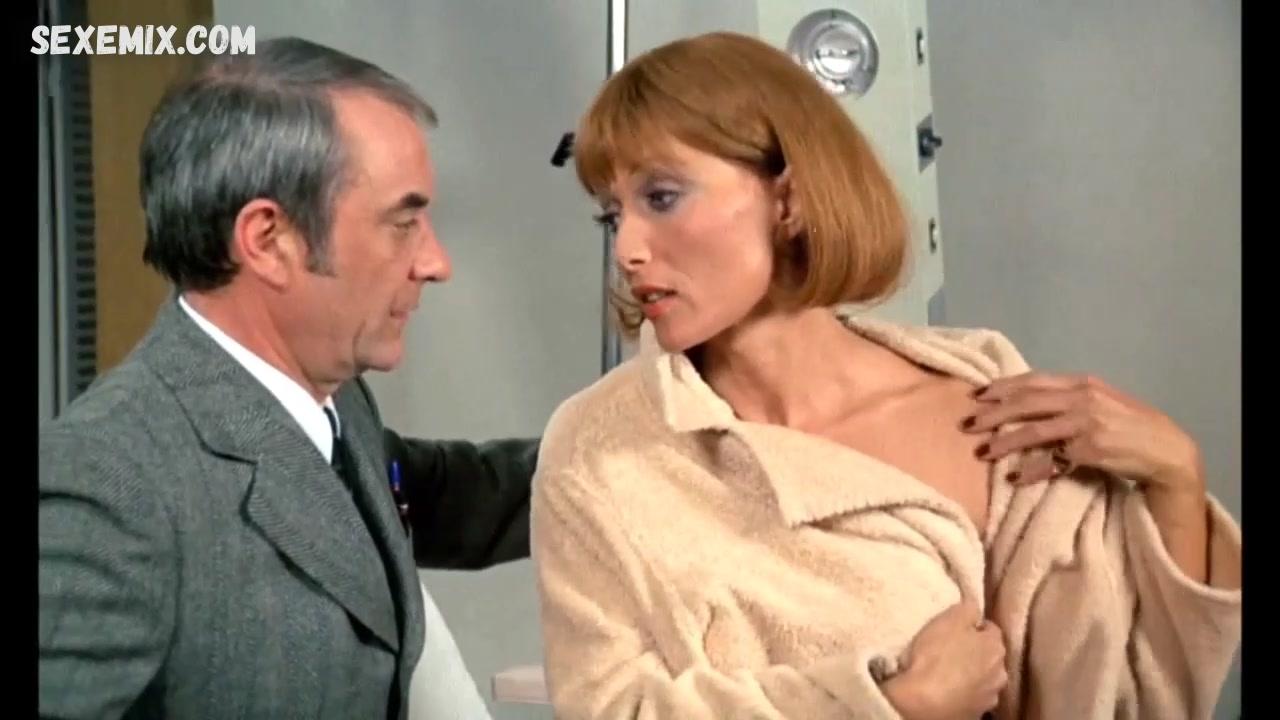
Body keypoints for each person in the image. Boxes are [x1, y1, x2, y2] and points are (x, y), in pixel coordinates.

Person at [530, 31, 1242, 720]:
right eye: (612, 215)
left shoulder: (991, 405)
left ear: (789, 199)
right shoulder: (602, 450)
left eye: (661, 198)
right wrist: (887, 706)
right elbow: (612, 709)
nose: (627, 249)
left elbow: (1137, 698)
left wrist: (1176, 476)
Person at [38, 37, 537, 720]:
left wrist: (639, 453)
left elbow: (447, 495)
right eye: (403, 222)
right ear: (269, 240)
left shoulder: (335, 406)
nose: (435, 262)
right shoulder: (108, 480)